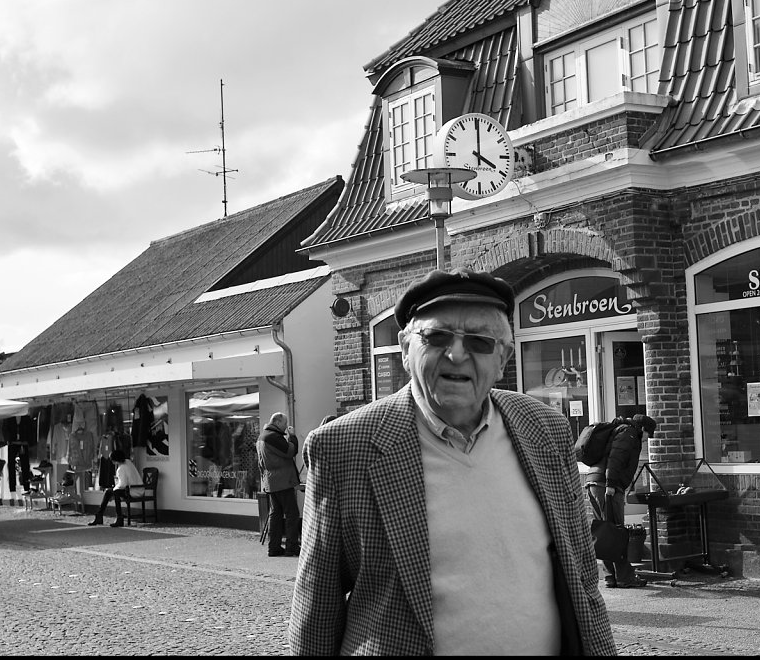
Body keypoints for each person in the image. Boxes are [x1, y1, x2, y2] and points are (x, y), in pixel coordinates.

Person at [289, 267, 615, 655]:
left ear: (503, 358)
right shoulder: (344, 446)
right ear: (405, 350)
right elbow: (318, 606)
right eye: (436, 336)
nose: (457, 353)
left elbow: (580, 573)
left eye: (479, 341)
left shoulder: (545, 429)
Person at [584, 414, 656, 588]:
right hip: (606, 485)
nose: (647, 440)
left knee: (606, 532)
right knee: (616, 532)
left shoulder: (621, 430)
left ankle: (611, 577)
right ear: (643, 429)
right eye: (649, 435)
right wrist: (611, 485)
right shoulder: (629, 434)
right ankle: (625, 577)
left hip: (594, 482)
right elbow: (615, 459)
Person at [257, 412, 301, 557]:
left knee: (275, 515)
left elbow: (260, 463)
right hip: (282, 481)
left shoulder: (262, 437)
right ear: (276, 422)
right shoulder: (273, 437)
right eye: (284, 422)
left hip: (270, 481)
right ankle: (292, 547)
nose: (286, 426)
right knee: (292, 514)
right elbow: (291, 451)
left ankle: (274, 547)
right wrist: (292, 436)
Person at [88, 449, 142, 527]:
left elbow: (122, 484)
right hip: (139, 489)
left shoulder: (121, 469)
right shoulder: (128, 462)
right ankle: (115, 517)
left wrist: (113, 489)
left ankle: (106, 516)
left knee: (113, 492)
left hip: (132, 491)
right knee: (112, 491)